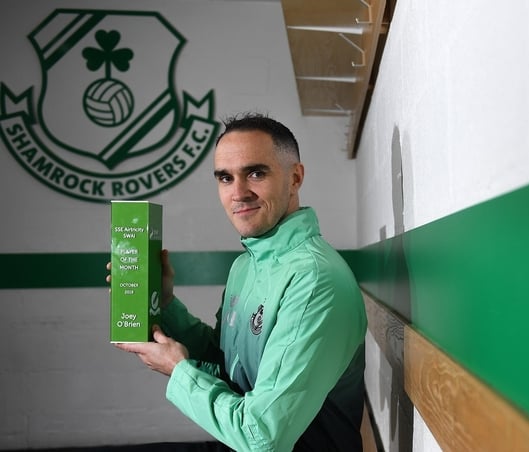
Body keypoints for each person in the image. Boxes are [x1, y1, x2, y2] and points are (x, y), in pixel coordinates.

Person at [112, 113, 368, 451]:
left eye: (256, 173)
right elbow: (225, 363)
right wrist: (165, 304)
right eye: (225, 178)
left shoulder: (314, 279)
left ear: (295, 178)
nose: (238, 193)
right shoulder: (245, 266)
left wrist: (178, 371)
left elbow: (262, 437)